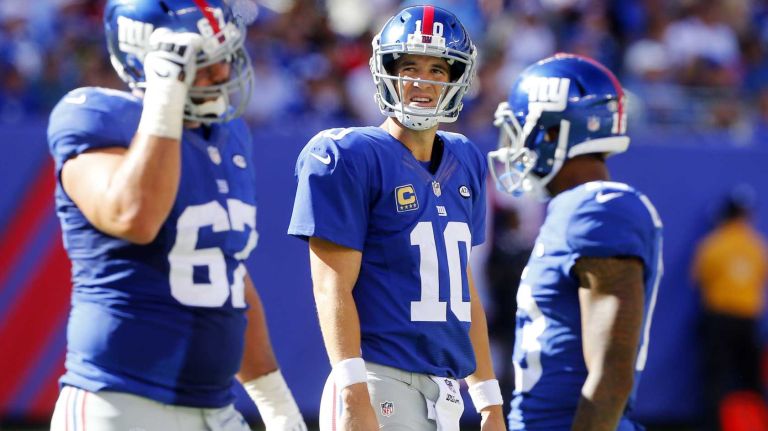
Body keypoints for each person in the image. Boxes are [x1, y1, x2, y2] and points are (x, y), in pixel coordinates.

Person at [46, 1, 306, 430]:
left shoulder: (228, 135)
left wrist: (276, 405)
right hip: (120, 403)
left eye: (223, 58)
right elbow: (134, 216)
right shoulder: (95, 117)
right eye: (201, 63)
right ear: (147, 61)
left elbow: (227, 274)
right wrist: (166, 94)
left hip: (216, 408)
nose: (221, 75)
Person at [288, 5, 506, 431]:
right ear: (386, 71)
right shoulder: (348, 155)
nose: (422, 81)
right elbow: (331, 285)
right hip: (379, 377)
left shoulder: (465, 158)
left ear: (457, 79)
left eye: (437, 70)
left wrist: (488, 399)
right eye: (409, 67)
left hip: (445, 391)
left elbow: (461, 290)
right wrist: (352, 391)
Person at [487, 53, 664, 430]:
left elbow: (611, 377)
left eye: (521, 130)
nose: (514, 146)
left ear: (552, 132)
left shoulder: (596, 209)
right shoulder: (571, 209)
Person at [691, 184, 768, 431]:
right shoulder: (756, 246)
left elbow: (699, 278)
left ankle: (714, 426)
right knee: (752, 380)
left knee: (716, 377)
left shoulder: (714, 244)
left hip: (719, 319)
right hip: (748, 319)